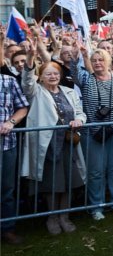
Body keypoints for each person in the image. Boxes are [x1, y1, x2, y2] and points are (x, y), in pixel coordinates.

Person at [20, 44, 86, 235]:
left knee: (68, 181)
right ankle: (52, 217)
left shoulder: (70, 92)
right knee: (51, 183)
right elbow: (26, 82)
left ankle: (64, 216)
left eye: (55, 73)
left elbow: (81, 113)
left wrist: (78, 120)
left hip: (67, 143)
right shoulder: (36, 92)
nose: (53, 76)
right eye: (48, 74)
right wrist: (31, 57)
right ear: (40, 76)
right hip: (47, 145)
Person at [73, 44, 113, 221]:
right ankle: (96, 206)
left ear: (108, 61)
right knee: (96, 170)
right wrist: (80, 57)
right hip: (94, 131)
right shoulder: (87, 79)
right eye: (94, 60)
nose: (98, 63)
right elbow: (75, 74)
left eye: (101, 59)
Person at [0, 68, 29, 244]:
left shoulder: (8, 81)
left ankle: (7, 229)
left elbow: (23, 107)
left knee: (7, 189)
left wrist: (11, 122)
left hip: (7, 145)